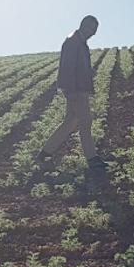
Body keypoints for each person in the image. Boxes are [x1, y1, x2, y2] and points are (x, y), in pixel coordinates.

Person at [39, 15, 106, 169]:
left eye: (95, 30)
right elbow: (67, 67)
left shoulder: (79, 41)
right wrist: (70, 91)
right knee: (85, 121)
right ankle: (92, 159)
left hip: (78, 89)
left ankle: (44, 154)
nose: (93, 33)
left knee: (70, 121)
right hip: (76, 90)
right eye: (91, 28)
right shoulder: (73, 41)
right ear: (83, 25)